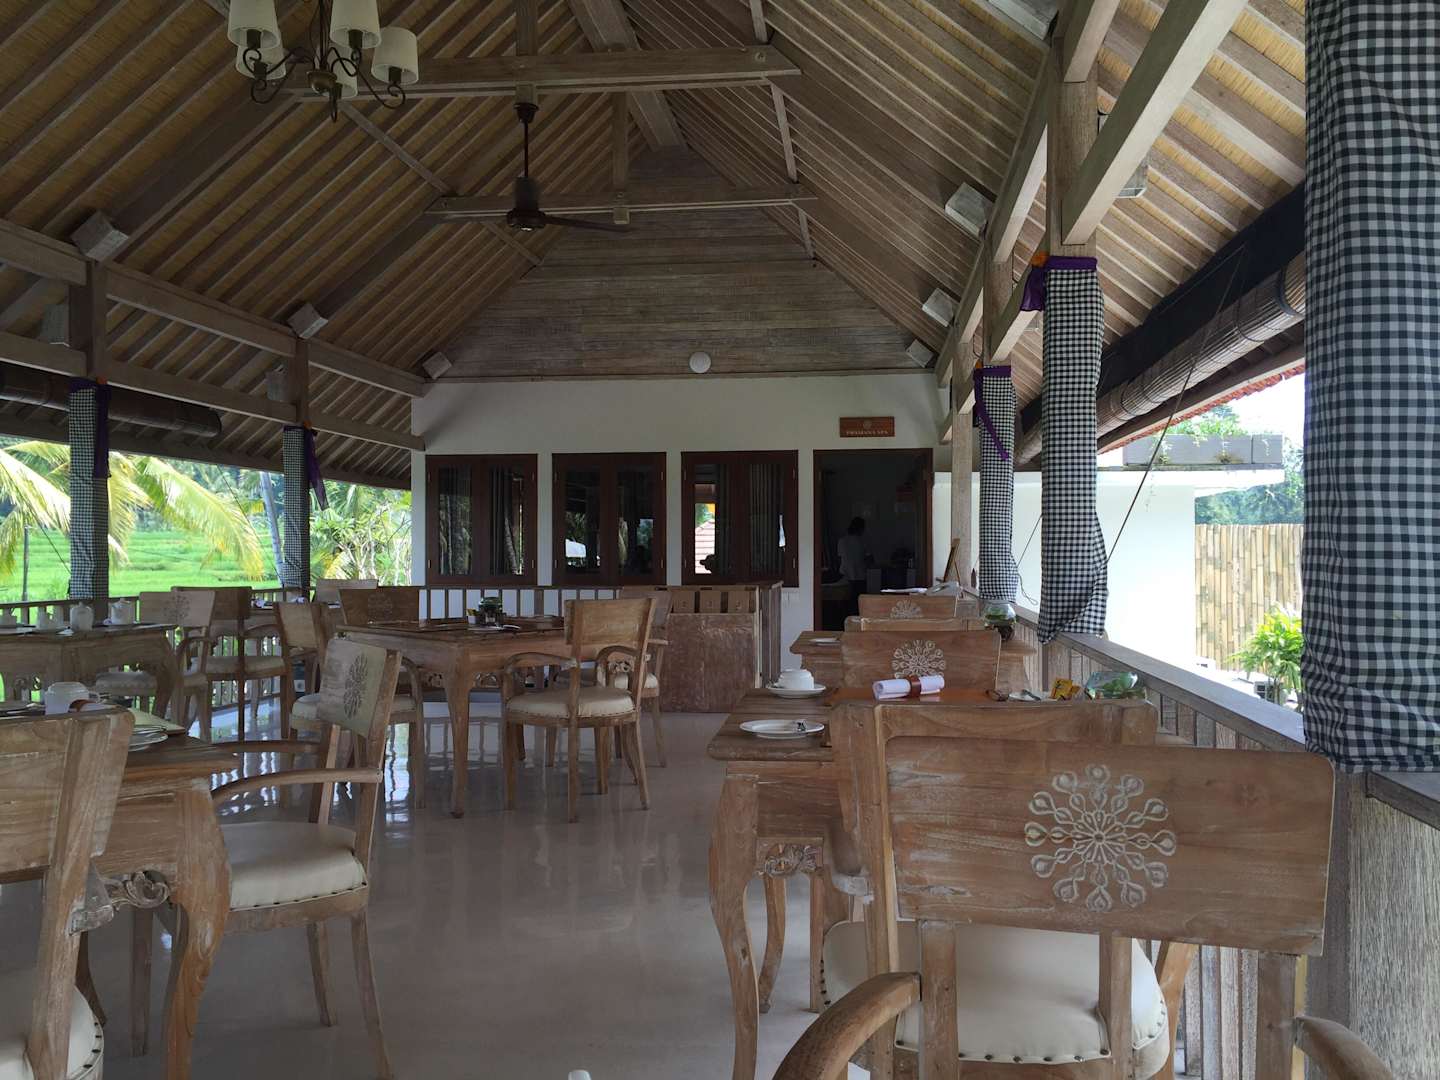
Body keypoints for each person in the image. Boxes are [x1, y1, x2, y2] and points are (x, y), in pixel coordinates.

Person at [838, 516, 868, 615]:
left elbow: (840, 559)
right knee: (859, 605)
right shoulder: (862, 542)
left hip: (845, 576)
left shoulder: (842, 541)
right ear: (860, 529)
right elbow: (869, 559)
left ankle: (845, 620)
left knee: (846, 604)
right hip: (860, 577)